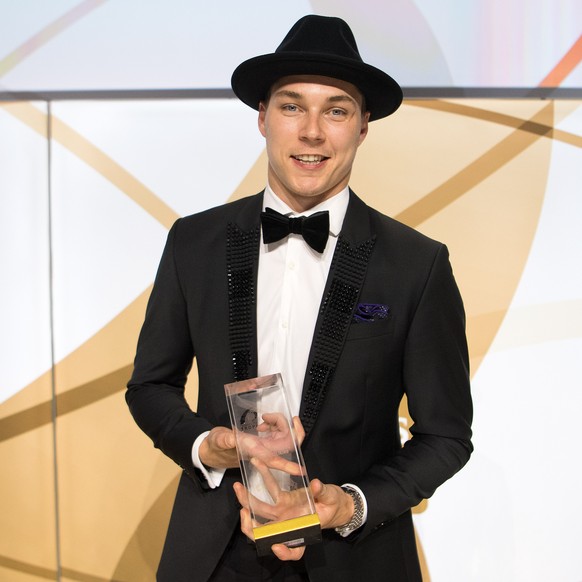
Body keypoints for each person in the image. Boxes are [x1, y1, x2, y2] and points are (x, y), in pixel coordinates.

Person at [126, 14, 473, 582]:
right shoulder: (195, 241)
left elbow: (446, 436)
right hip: (213, 552)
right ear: (262, 119)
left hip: (356, 559)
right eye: (292, 107)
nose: (312, 132)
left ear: (363, 128)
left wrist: (351, 503)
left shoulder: (417, 264)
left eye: (336, 110)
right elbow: (149, 386)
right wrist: (205, 445)